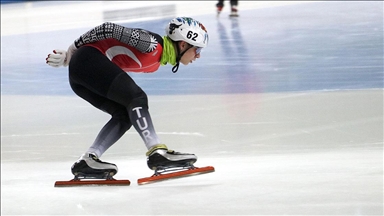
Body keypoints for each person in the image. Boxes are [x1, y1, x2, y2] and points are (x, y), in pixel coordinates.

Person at [45, 17, 209, 179]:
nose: (198, 56)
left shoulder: (156, 63)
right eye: (198, 50)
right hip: (86, 61)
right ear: (183, 44)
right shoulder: (151, 44)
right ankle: (157, 152)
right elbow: (107, 28)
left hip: (80, 77)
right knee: (137, 98)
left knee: (125, 114)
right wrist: (71, 50)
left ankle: (88, 160)